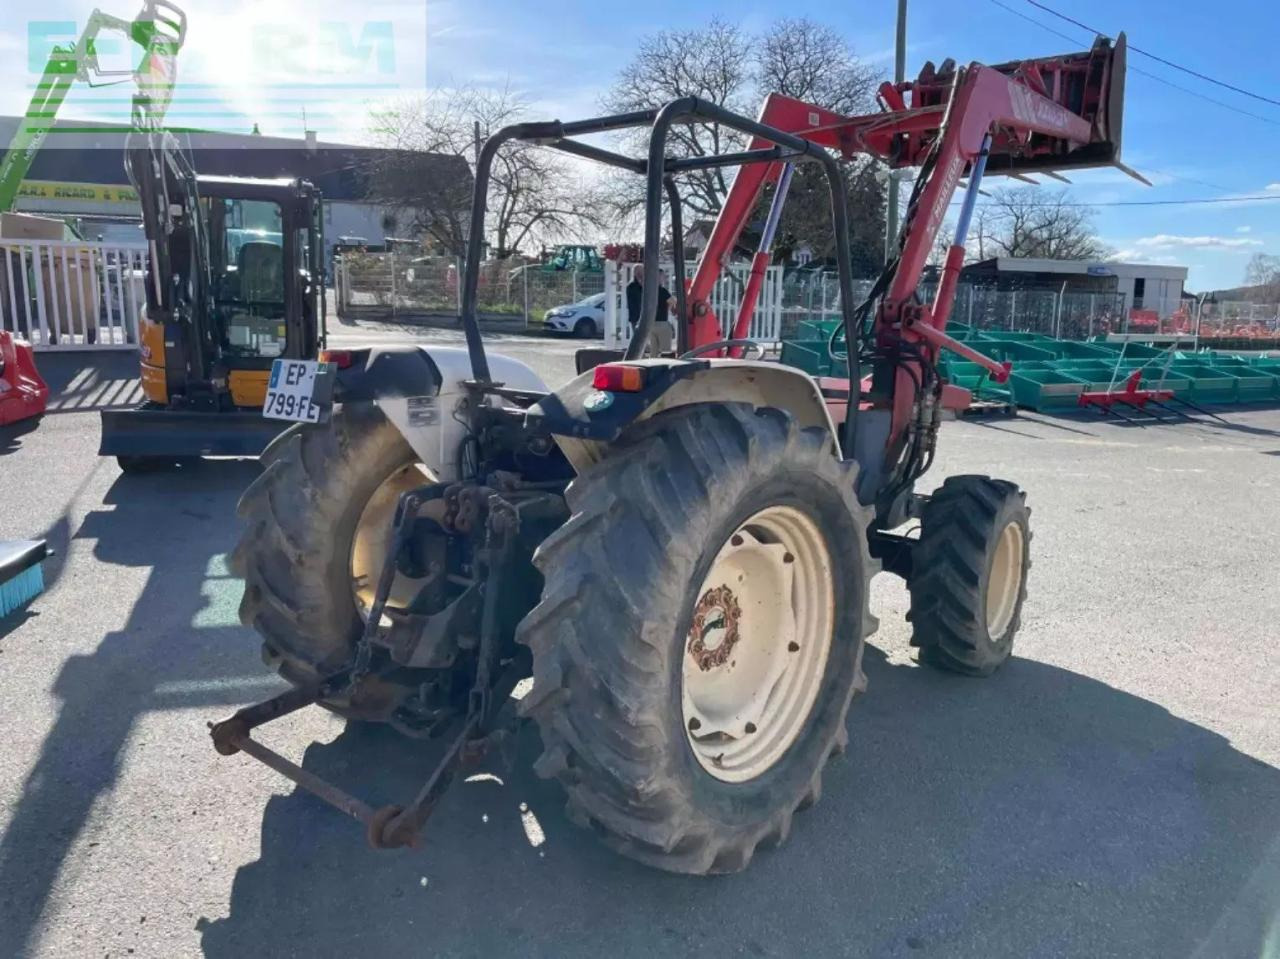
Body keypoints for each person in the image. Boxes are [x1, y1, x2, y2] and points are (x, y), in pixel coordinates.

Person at [625, 265, 675, 356]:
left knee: (652, 348)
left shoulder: (649, 288)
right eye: (640, 272)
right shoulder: (633, 287)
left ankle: (646, 358)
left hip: (648, 320)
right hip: (639, 318)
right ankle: (640, 357)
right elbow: (672, 302)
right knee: (662, 349)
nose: (642, 274)